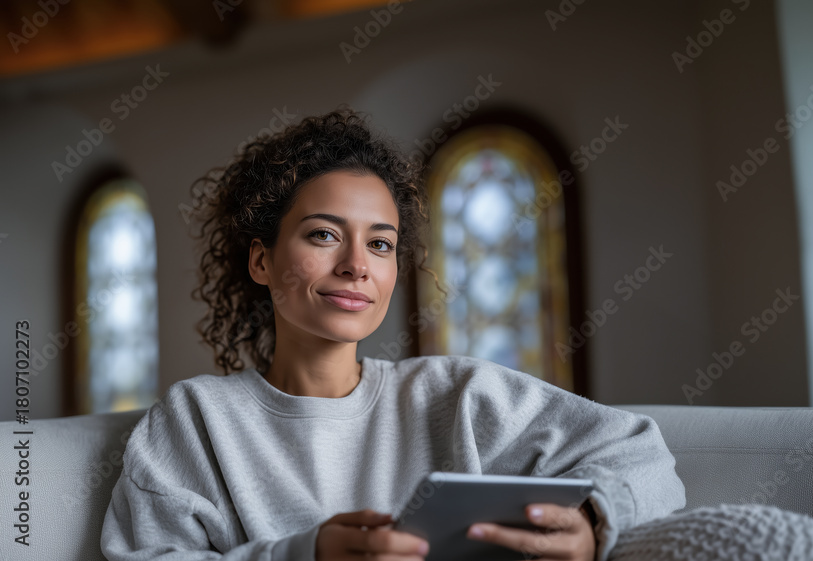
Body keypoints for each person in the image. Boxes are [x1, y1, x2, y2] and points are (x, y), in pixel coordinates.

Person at [100, 106, 685, 561]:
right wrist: (305, 554)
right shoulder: (194, 420)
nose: (357, 265)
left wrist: (594, 520)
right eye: (324, 234)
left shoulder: (459, 396)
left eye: (380, 243)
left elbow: (641, 454)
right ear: (261, 261)